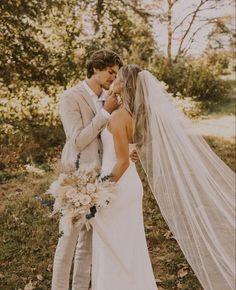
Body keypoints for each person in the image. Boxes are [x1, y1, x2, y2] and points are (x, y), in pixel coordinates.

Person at [91, 64, 235, 290]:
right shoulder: (136, 114)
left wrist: (97, 192)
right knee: (130, 246)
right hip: (129, 185)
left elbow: (122, 161)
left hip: (116, 186)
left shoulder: (119, 116)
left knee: (113, 245)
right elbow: (128, 151)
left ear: (125, 84)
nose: (113, 80)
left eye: (117, 77)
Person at [51, 49, 123, 290]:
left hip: (101, 178)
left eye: (116, 73)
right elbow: (78, 139)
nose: (114, 77)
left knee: (88, 241)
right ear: (95, 68)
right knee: (68, 239)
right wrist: (104, 112)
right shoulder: (70, 97)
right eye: (110, 72)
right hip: (76, 176)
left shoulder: (110, 96)